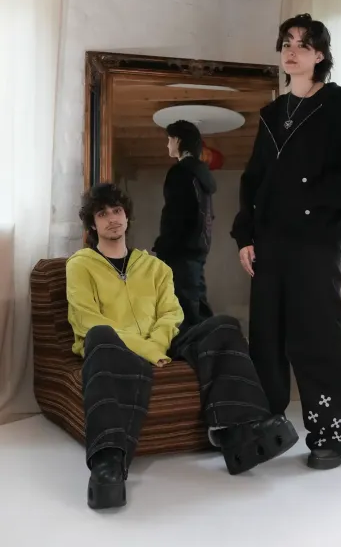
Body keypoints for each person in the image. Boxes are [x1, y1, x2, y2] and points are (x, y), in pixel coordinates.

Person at [67, 182, 298, 510]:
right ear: (93, 224)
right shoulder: (80, 265)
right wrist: (148, 351)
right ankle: (108, 463)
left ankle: (240, 434)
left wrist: (157, 345)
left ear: (127, 216)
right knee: (99, 335)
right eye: (102, 214)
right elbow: (87, 320)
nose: (112, 219)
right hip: (112, 347)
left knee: (224, 326)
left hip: (161, 342)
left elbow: (171, 314)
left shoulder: (156, 267)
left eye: (117, 211)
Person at [231, 13, 341, 471]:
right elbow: (253, 180)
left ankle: (330, 436)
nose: (292, 51)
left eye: (303, 44)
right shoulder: (273, 114)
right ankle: (266, 428)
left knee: (317, 337)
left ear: (320, 55)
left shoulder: (339, 106)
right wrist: (245, 235)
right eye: (286, 44)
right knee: (266, 339)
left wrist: (314, 207)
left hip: (314, 244)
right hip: (269, 244)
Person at [153, 120, 215, 328]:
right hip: (197, 248)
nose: (167, 145)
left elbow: (175, 214)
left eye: (169, 139)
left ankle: (196, 347)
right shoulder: (202, 175)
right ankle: (210, 343)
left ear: (178, 141)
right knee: (198, 304)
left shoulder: (180, 172)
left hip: (179, 250)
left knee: (183, 310)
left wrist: (163, 247)